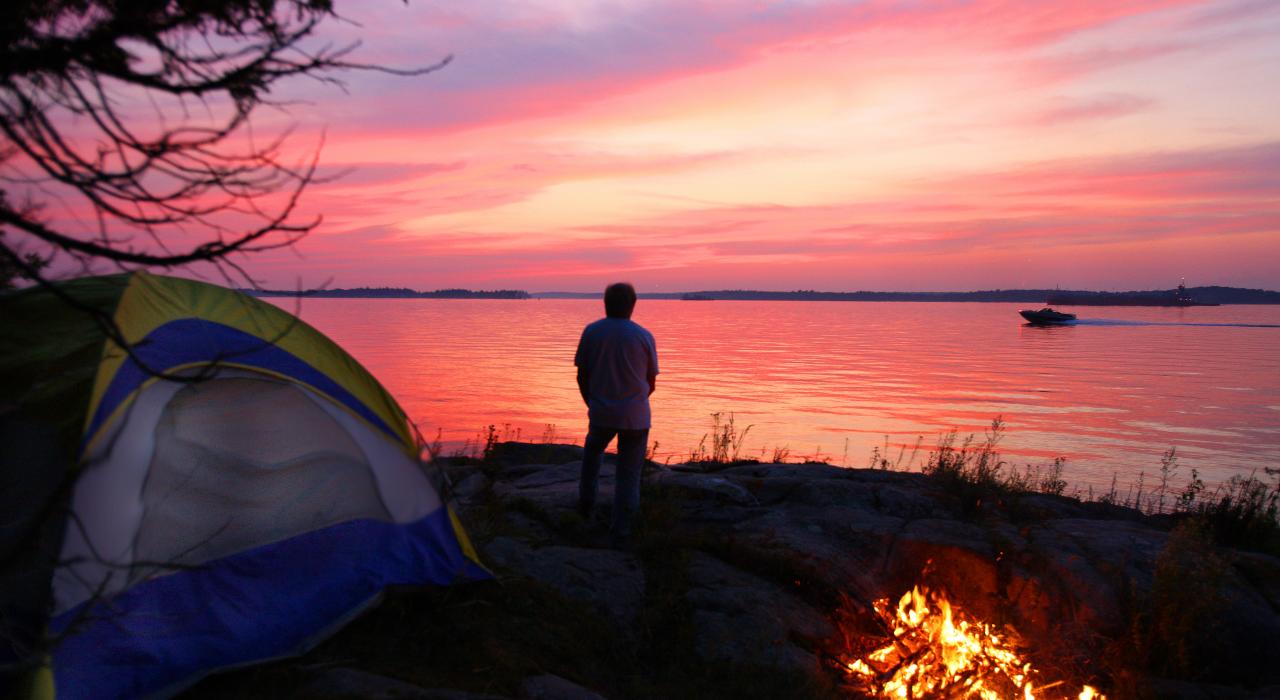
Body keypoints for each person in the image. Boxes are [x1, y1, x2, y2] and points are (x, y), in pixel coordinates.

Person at [574, 282, 658, 548]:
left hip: (601, 413)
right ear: (633, 305)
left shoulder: (592, 332)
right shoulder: (643, 336)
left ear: (605, 303)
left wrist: (593, 404)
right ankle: (621, 531)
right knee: (629, 476)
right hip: (636, 417)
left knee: (591, 460)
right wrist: (634, 403)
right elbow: (651, 382)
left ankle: (586, 510)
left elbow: (582, 376)